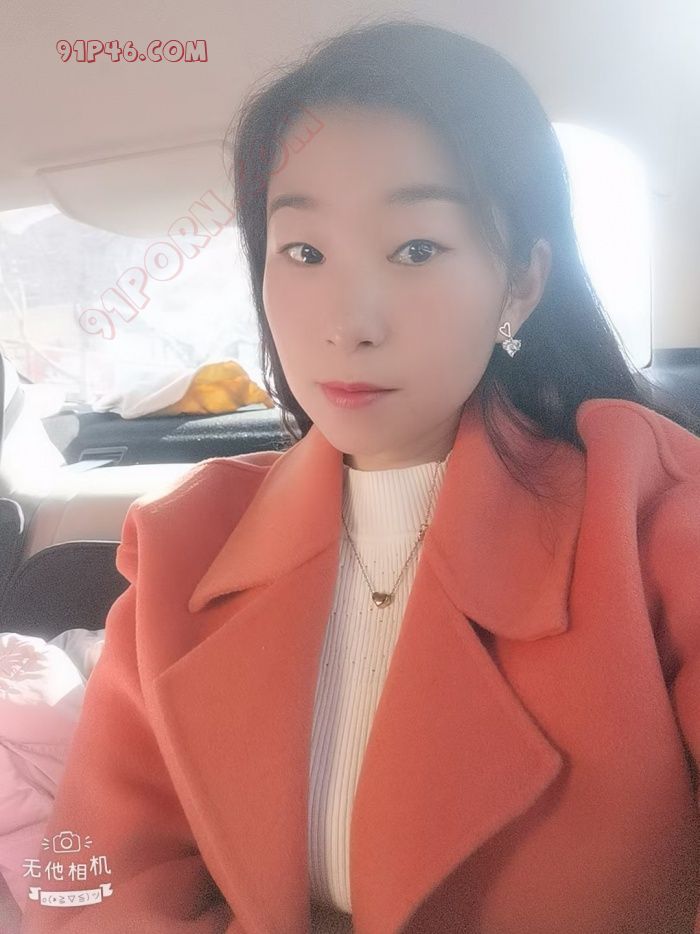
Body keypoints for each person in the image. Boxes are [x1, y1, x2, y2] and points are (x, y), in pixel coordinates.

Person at [19, 15, 700, 934]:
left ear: (521, 283)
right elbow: (97, 892)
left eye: (416, 249)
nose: (349, 323)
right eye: (304, 252)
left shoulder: (651, 512)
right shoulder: (183, 544)